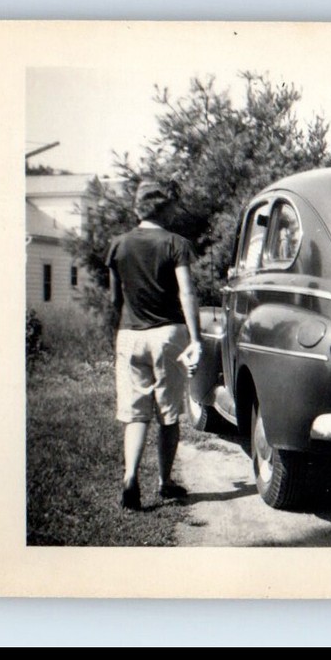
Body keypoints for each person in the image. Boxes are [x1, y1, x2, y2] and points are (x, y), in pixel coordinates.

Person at [106, 178, 202, 511]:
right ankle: (164, 482)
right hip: (168, 337)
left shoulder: (118, 245)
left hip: (130, 334)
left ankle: (130, 477)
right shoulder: (176, 243)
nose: (177, 211)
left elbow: (115, 299)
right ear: (162, 207)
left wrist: (117, 334)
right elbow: (186, 293)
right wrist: (197, 338)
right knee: (168, 415)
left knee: (135, 414)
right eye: (173, 205)